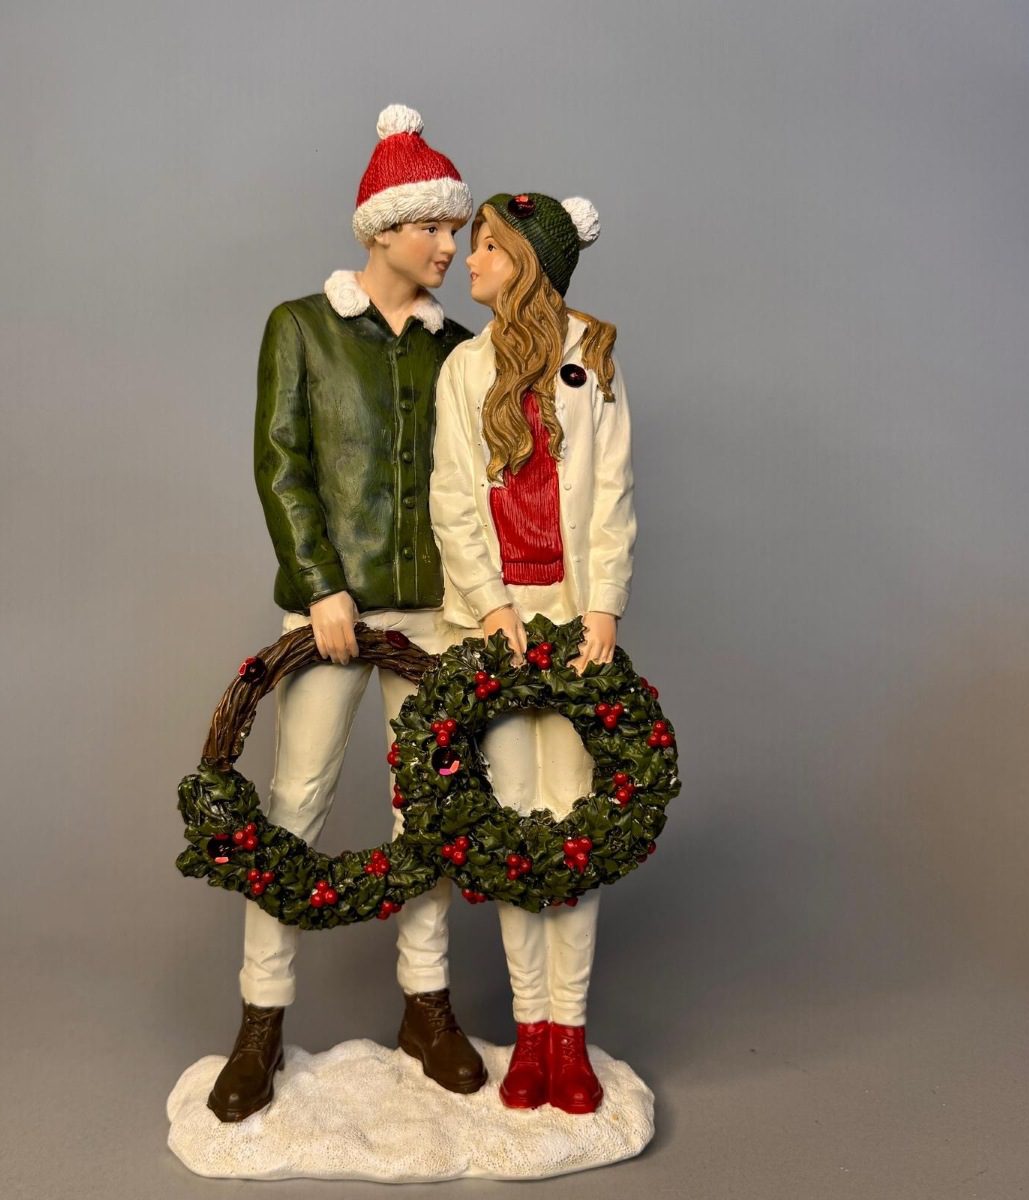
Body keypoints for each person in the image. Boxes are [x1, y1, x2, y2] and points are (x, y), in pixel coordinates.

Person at [207, 105, 487, 1122]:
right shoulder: (302, 328)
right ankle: (260, 1020)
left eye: (456, 231)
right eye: (435, 229)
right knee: (295, 805)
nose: (450, 247)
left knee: (431, 813)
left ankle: (427, 1007)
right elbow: (281, 462)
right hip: (333, 614)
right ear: (385, 229)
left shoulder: (459, 348)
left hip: (438, 620)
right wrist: (321, 583)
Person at [429, 192, 635, 1114]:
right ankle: (529, 1032)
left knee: (575, 821)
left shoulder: (594, 356)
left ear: (528, 261)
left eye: (486, 247)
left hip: (574, 619)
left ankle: (571, 1033)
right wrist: (490, 607)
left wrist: (604, 607)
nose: (467, 261)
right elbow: (452, 497)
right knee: (515, 820)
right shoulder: (464, 369)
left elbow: (611, 490)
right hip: (500, 625)